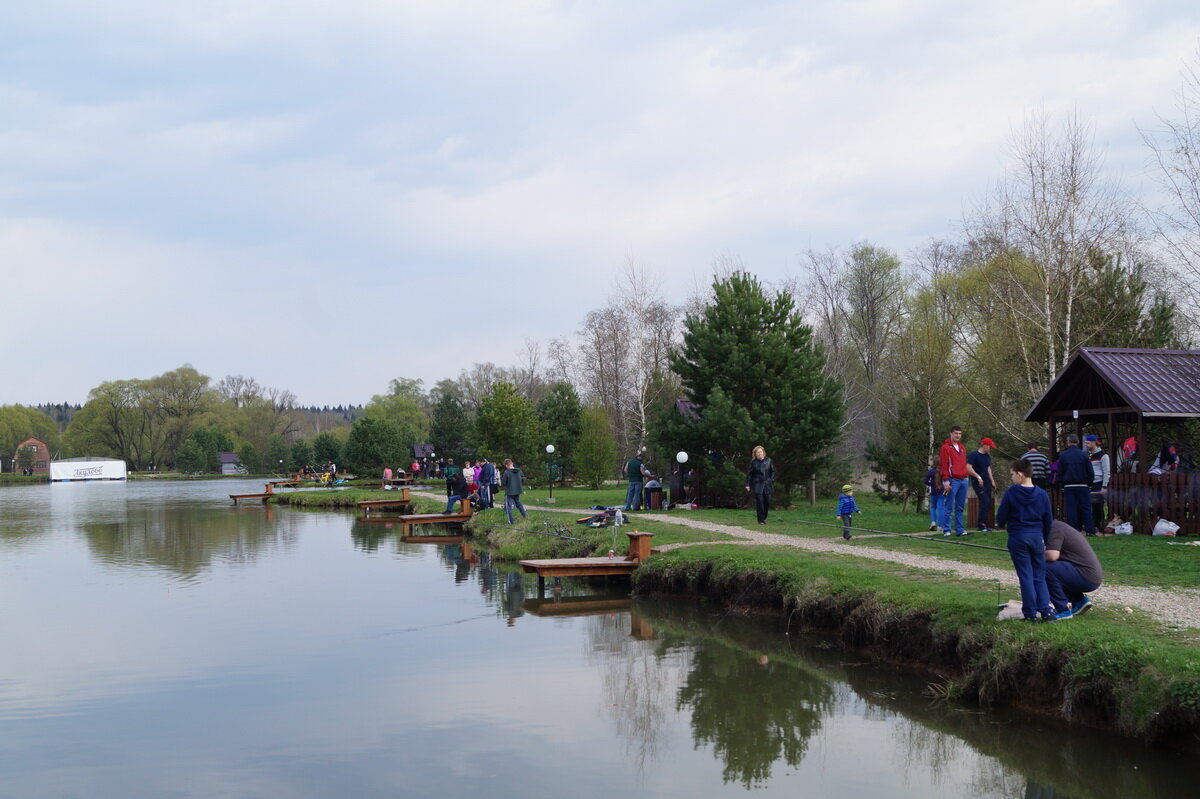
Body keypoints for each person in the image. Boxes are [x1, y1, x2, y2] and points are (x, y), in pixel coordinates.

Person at [995, 458, 1056, 622]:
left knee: (1025, 576)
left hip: (1018, 537)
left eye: (1012, 474)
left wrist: (1000, 524)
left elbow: (1001, 516)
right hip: (1037, 538)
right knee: (1039, 575)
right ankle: (1046, 611)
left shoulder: (1012, 492)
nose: (1011, 478)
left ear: (1020, 475)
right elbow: (1048, 520)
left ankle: (1029, 613)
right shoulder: (1042, 494)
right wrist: (1045, 539)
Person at [1044, 519, 1103, 619]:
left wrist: (1031, 555)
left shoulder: (1054, 528)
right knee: (1056, 569)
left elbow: (1052, 555)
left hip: (1086, 577)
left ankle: (1062, 610)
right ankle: (1079, 600)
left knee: (1045, 568)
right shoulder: (1057, 526)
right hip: (1089, 575)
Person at [1058, 434, 1095, 536]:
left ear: (1068, 442)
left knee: (1071, 508)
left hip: (1068, 486)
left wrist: (1061, 485)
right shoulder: (1084, 455)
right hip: (1083, 485)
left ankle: (1073, 531)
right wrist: (1089, 483)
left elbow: (1060, 472)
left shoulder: (1063, 456)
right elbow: (1090, 472)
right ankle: (1089, 530)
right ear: (1078, 442)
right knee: (1086, 508)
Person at [939, 426, 971, 537]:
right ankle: (947, 530)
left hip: (963, 480)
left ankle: (959, 529)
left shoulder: (962, 447)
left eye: (959, 434)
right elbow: (944, 465)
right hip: (953, 480)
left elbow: (964, 463)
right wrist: (946, 480)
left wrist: (966, 476)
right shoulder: (946, 447)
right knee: (949, 506)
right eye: (956, 433)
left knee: (960, 507)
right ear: (951, 433)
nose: (958, 435)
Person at [966, 438, 996, 532]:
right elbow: (968, 467)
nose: (990, 449)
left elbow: (988, 468)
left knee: (987, 503)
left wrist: (992, 481)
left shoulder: (987, 456)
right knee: (985, 501)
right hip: (978, 483)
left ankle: (985, 524)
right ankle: (981, 525)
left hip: (987, 482)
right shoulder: (974, 455)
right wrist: (978, 477)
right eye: (990, 447)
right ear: (985, 445)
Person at [1084, 435, 1110, 534]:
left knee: (1097, 505)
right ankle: (1091, 525)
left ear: (1095, 442)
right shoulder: (1087, 455)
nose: (1086, 445)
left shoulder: (1103, 455)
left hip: (1098, 483)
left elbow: (1106, 471)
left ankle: (1098, 525)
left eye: (1088, 443)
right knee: (1088, 505)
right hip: (1089, 482)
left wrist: (1104, 486)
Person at [743, 445, 776, 524]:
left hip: (767, 484)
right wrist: (747, 484)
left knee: (767, 502)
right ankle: (760, 520)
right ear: (755, 454)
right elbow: (749, 474)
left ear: (763, 452)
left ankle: (763, 517)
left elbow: (773, 471)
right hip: (758, 485)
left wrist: (771, 479)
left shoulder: (769, 460)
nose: (759, 453)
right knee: (760, 502)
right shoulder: (753, 462)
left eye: (760, 452)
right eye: (758, 452)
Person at [501, 458, 528, 524]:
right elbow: (523, 479)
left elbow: (504, 482)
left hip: (509, 491)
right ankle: (525, 515)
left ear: (507, 465)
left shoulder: (507, 472)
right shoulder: (519, 471)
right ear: (512, 464)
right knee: (518, 504)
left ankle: (511, 522)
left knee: (508, 507)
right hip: (518, 490)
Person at [924, 464, 943, 532]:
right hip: (942, 492)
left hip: (933, 492)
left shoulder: (931, 471)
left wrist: (931, 484)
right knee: (941, 508)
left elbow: (926, 481)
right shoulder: (943, 471)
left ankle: (933, 522)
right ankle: (940, 525)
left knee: (933, 507)